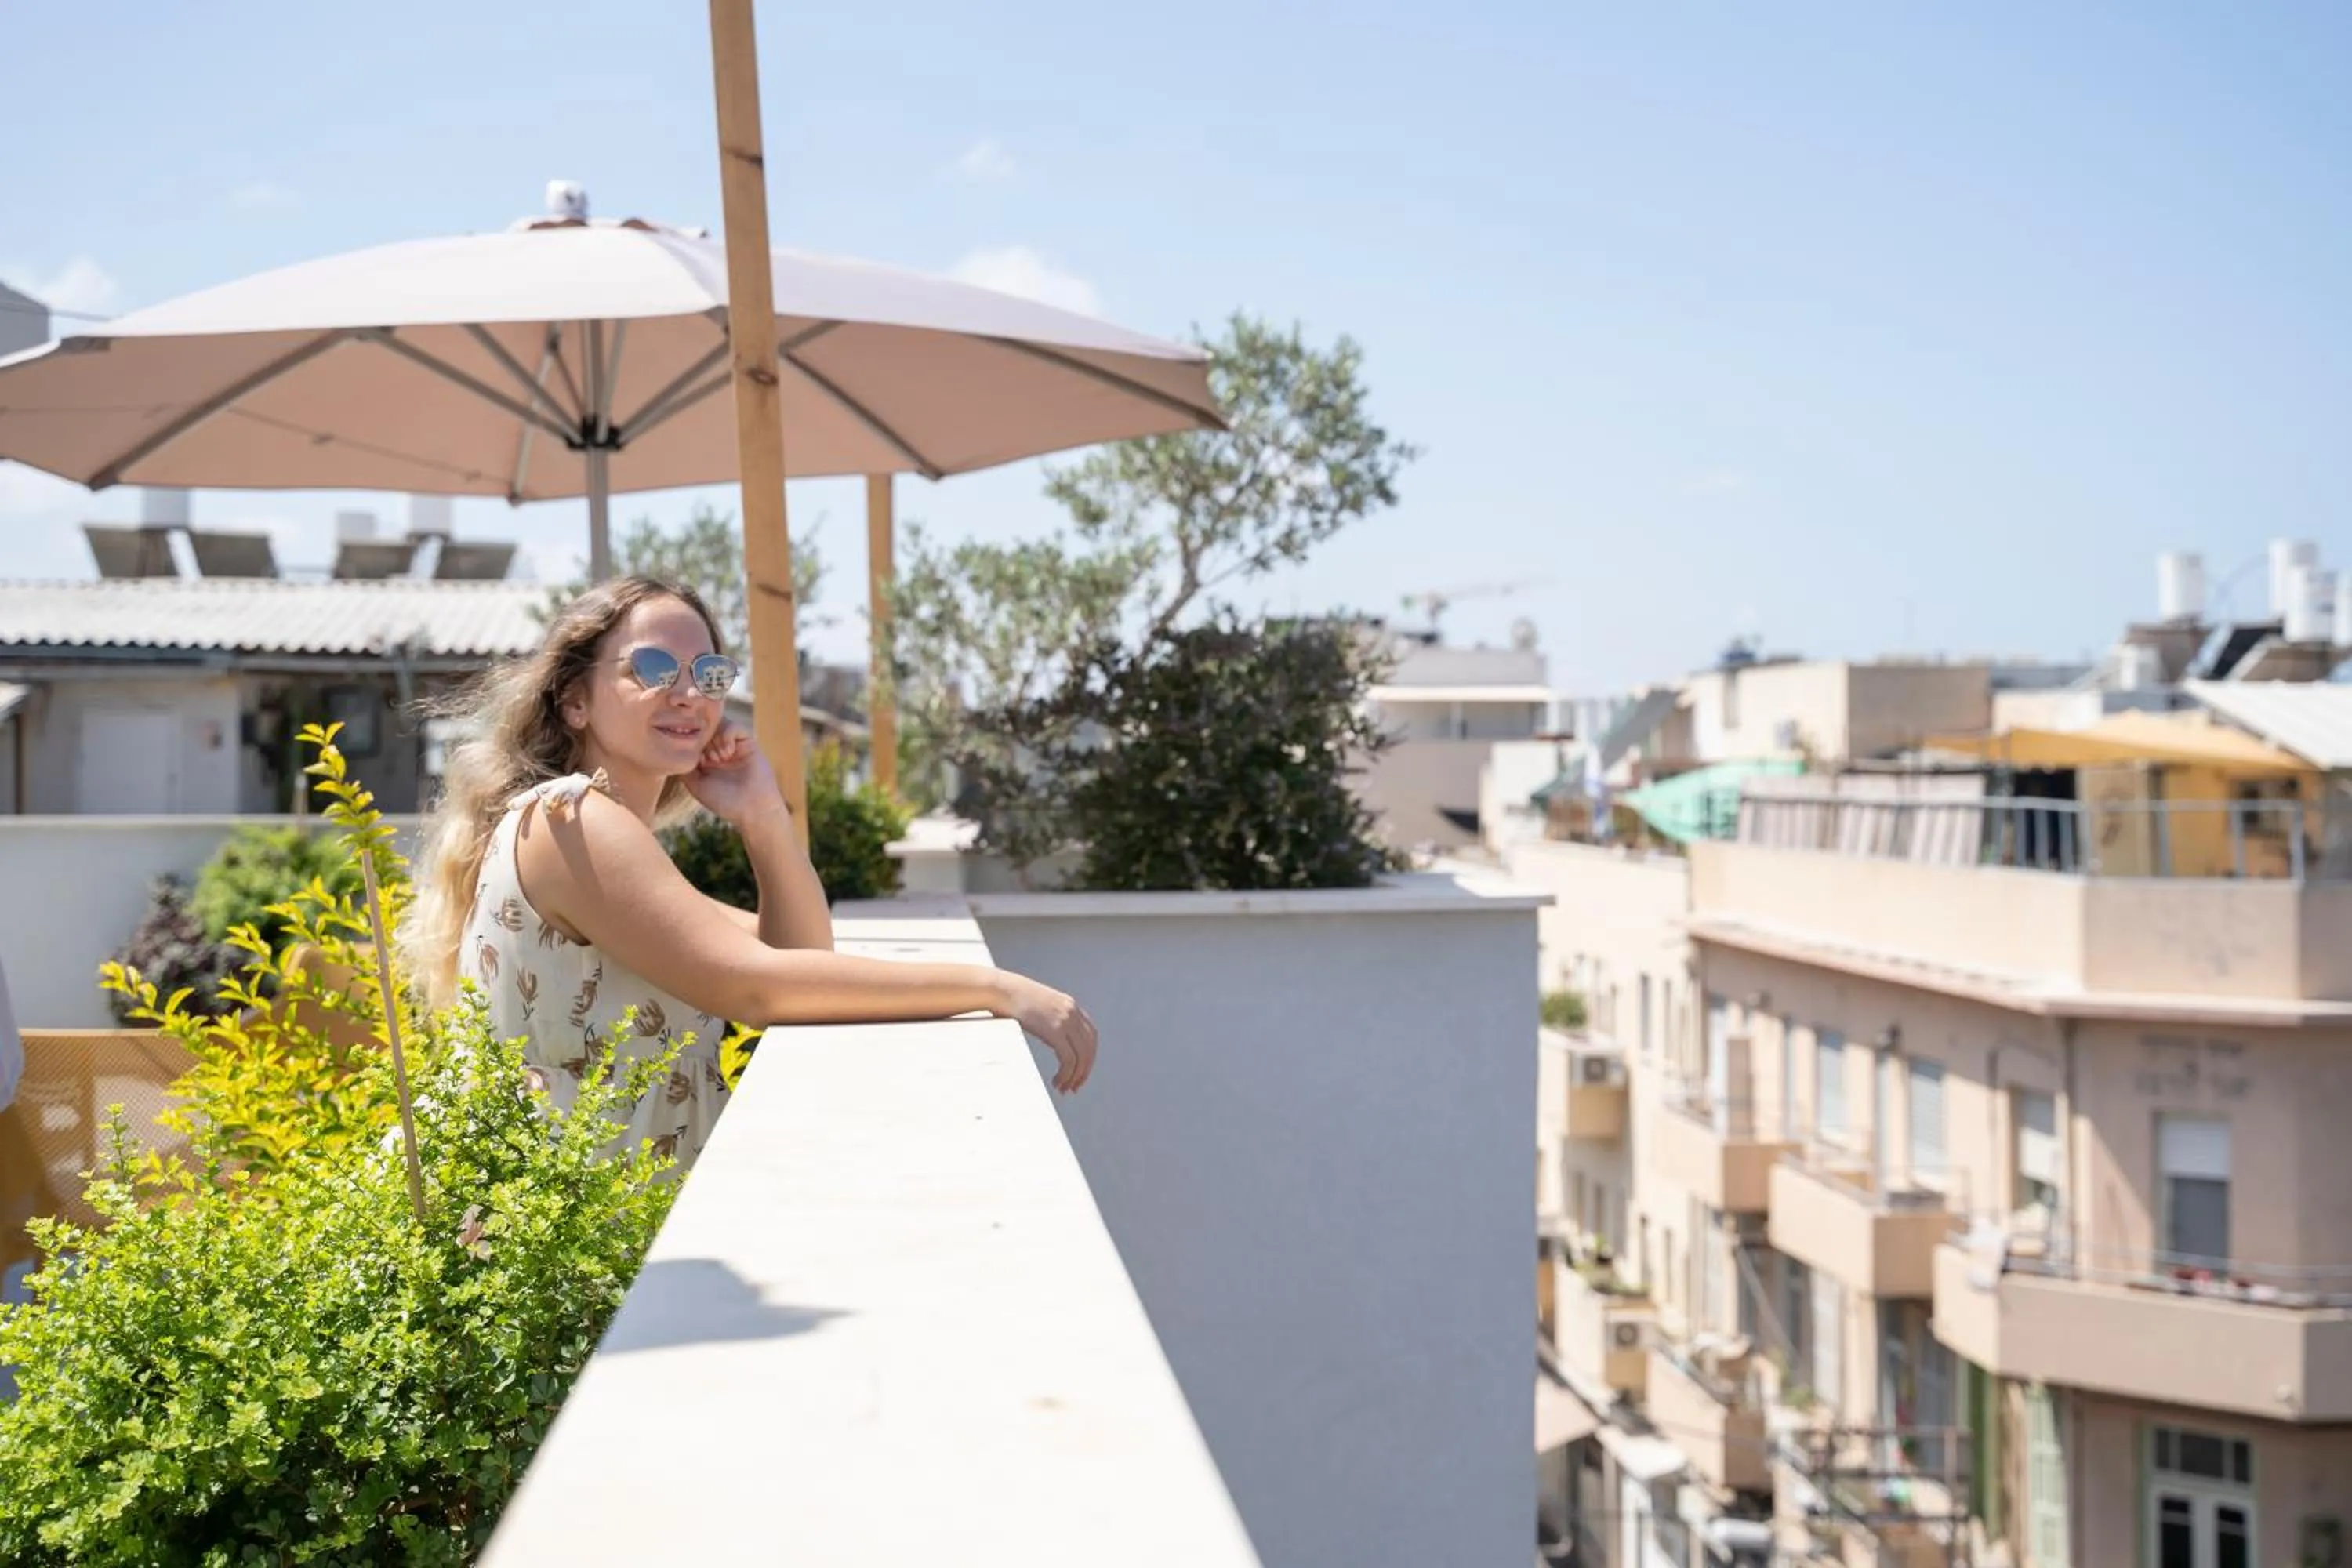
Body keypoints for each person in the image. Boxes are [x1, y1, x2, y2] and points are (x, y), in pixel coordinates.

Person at [401, 575, 1097, 1171]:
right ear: (575, 699)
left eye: (709, 675)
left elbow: (796, 962)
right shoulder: (572, 819)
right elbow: (755, 988)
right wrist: (993, 988)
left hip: (594, 1220)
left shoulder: (602, 835)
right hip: (564, 1241)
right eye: (651, 669)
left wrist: (763, 817)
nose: (689, 695)